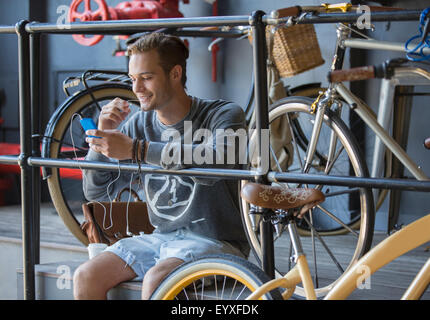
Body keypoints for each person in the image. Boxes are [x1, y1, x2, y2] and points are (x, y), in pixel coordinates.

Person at [73, 32, 249, 300]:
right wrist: (101, 139)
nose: (136, 88)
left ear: (175, 74)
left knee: (158, 279)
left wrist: (137, 149)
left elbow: (218, 157)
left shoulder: (224, 114)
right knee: (85, 276)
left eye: (146, 77)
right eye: (133, 79)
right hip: (162, 237)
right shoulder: (138, 125)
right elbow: (96, 192)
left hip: (218, 241)